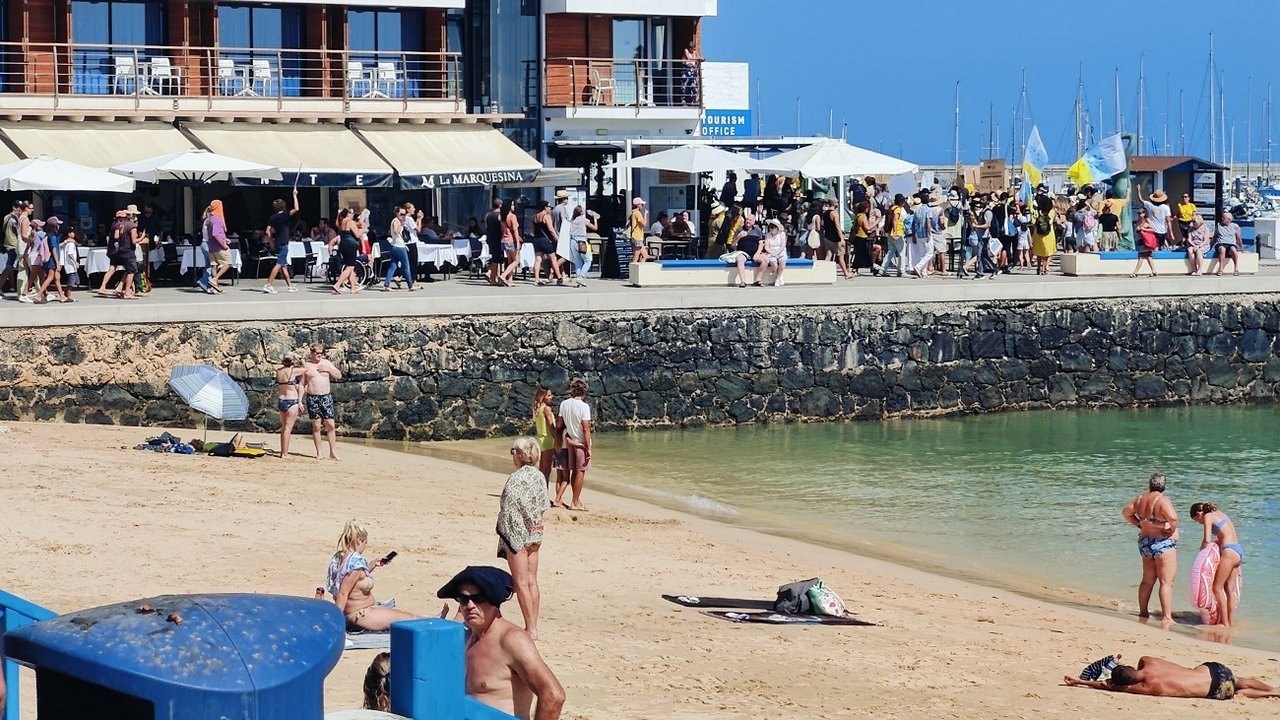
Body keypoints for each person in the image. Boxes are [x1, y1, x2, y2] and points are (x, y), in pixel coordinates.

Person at [435, 566, 565, 719]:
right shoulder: (464, 638)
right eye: (463, 599)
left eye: (478, 599)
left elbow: (553, 695)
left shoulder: (512, 640)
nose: (469, 606)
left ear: (494, 600)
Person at [498, 437, 551, 641]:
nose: (513, 456)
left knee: (521, 582)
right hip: (535, 532)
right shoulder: (539, 477)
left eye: (513, 452)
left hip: (517, 535)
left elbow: (508, 506)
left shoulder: (516, 478)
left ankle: (531, 628)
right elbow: (543, 505)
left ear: (520, 455)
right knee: (531, 581)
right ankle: (533, 624)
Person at [328, 519, 417, 631]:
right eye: (365, 543)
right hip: (360, 614)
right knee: (409, 619)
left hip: (360, 612)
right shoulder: (355, 564)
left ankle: (433, 621)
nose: (364, 546)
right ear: (359, 541)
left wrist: (373, 564)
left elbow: (355, 582)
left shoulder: (339, 557)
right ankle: (434, 623)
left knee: (402, 614)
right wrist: (337, 624)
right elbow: (343, 593)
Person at [1064, 654, 1278, 700]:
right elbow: (1139, 664)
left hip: (1215, 689)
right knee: (1239, 680)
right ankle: (1274, 689)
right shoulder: (1147, 661)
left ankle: (1270, 694)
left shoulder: (1150, 687)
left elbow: (1110, 686)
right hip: (1213, 669)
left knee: (1236, 691)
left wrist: (1081, 681)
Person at [1122, 473, 1179, 625]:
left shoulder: (1140, 499)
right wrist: (1170, 528)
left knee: (1147, 580)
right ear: (1163, 486)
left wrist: (1139, 524)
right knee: (1166, 582)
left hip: (1145, 542)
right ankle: (1167, 617)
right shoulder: (1162, 500)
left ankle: (1143, 612)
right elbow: (1173, 518)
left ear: (1150, 485)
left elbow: (1126, 513)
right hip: (1162, 543)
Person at [1189, 501, 1244, 627]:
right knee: (1229, 589)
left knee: (1216, 588)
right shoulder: (1220, 513)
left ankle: (1224, 624)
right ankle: (1230, 622)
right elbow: (1224, 533)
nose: (1199, 522)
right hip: (1238, 550)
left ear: (1198, 514)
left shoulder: (1208, 516)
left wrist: (1201, 552)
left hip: (1229, 552)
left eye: (1197, 520)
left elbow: (1207, 539)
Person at [553, 379, 591, 512]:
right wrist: (588, 447)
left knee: (573, 470)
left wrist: (558, 439)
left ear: (572, 390)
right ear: (584, 391)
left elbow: (559, 424)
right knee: (580, 471)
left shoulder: (564, 404)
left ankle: (576, 500)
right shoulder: (584, 407)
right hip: (580, 442)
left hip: (569, 441)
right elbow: (585, 428)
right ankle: (575, 501)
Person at [303, 344, 343, 460]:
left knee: (330, 424)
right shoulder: (307, 365)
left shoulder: (326, 363)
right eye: (317, 353)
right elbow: (303, 383)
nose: (319, 355)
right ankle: (319, 452)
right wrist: (299, 398)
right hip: (313, 398)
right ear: (311, 353)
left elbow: (339, 375)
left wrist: (328, 369)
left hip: (326, 397)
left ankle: (333, 452)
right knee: (316, 426)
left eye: (321, 353)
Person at [263, 189, 300, 294]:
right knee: (279, 264)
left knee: (283, 265)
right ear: (283, 207)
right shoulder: (284, 215)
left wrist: (271, 242)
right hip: (283, 242)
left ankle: (290, 285)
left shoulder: (273, 217)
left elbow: (267, 231)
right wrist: (294, 195)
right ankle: (269, 284)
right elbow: (296, 208)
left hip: (277, 241)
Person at [275, 351, 305, 460]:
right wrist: (301, 358)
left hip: (281, 400)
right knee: (288, 429)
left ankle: (283, 451)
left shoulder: (279, 371)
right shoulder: (293, 371)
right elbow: (306, 369)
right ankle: (285, 454)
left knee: (284, 428)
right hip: (291, 400)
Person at [382, 204, 416, 292]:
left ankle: (386, 284)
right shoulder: (396, 221)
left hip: (395, 246)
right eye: (401, 214)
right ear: (397, 213)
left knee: (393, 265)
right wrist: (401, 224)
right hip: (399, 246)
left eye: (404, 214)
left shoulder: (397, 220)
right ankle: (410, 284)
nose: (403, 216)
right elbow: (396, 231)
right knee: (406, 265)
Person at [331, 208, 364, 295]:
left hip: (343, 245)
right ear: (348, 214)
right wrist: (363, 230)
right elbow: (357, 235)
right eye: (351, 213)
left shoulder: (341, 222)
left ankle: (353, 288)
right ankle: (337, 285)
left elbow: (338, 224)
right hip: (350, 246)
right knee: (350, 267)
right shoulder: (350, 221)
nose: (353, 215)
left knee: (350, 267)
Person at [530, 201, 562, 286]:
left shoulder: (534, 217)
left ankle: (536, 278)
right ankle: (559, 277)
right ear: (545, 207)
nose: (550, 209)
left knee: (538, 260)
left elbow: (532, 231)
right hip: (546, 240)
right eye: (549, 207)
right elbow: (551, 229)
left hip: (537, 240)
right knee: (553, 259)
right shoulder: (546, 216)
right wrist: (557, 239)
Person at [203, 200, 232, 295]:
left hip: (211, 246)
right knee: (228, 263)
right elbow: (215, 234)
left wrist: (225, 238)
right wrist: (223, 244)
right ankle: (214, 280)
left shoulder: (209, 219)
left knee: (213, 265)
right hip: (218, 246)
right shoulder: (217, 219)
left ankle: (214, 288)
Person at [567, 206, 596, 287]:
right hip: (581, 241)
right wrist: (595, 219)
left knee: (578, 262)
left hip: (573, 241)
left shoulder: (572, 220)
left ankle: (578, 279)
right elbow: (595, 227)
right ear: (581, 212)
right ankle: (581, 277)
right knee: (588, 260)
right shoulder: (583, 220)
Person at [755, 218, 788, 286]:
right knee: (773, 262)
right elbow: (766, 247)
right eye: (769, 227)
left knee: (782, 261)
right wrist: (772, 253)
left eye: (772, 227)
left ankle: (778, 278)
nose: (770, 229)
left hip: (780, 250)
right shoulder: (768, 235)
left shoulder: (782, 234)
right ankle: (778, 276)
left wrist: (777, 253)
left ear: (776, 228)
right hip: (771, 251)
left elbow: (783, 245)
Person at [1208, 211, 1242, 276]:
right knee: (1222, 249)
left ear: (1229, 220)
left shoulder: (1235, 226)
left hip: (1231, 243)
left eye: (1224, 218)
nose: (1222, 219)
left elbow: (1238, 238)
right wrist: (1210, 246)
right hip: (1221, 243)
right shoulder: (1219, 225)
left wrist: (1242, 248)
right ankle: (1220, 269)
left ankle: (1236, 268)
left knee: (1233, 250)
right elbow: (1215, 237)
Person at [1030, 194, 1057, 276]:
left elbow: (1033, 223)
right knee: (1047, 253)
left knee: (1039, 253)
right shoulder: (1052, 212)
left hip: (1038, 234)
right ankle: (1044, 268)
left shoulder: (1036, 212)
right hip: (1049, 234)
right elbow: (1052, 221)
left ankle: (1038, 267)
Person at [498, 199, 523, 287]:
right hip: (511, 240)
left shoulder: (502, 217)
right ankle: (503, 275)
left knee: (510, 261)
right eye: (512, 205)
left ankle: (510, 280)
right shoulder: (512, 216)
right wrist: (518, 242)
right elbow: (515, 230)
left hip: (504, 240)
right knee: (516, 261)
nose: (514, 206)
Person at [1130, 209, 1158, 278]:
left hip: (1145, 240)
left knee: (1141, 257)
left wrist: (1144, 229)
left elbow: (1154, 229)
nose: (1139, 215)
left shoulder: (1147, 220)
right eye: (1138, 213)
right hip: (1140, 240)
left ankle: (1135, 272)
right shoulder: (1139, 221)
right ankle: (1154, 271)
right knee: (1148, 257)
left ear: (1144, 213)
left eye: (1141, 213)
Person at [484, 198, 506, 286]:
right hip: (498, 238)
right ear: (500, 205)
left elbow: (486, 227)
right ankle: (493, 277)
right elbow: (502, 227)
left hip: (490, 238)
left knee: (495, 257)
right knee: (497, 259)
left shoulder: (487, 215)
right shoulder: (500, 215)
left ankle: (495, 276)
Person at [628, 197, 650, 264]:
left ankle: (640, 270)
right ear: (637, 204)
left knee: (645, 256)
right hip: (637, 236)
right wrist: (645, 214)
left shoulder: (633, 212)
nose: (642, 206)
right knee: (636, 255)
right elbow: (644, 224)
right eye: (641, 204)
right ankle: (633, 270)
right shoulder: (637, 213)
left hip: (637, 236)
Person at [680, 39, 702, 105]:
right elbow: (688, 58)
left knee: (693, 86)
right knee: (684, 86)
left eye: (692, 47)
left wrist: (701, 59)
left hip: (692, 70)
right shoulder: (686, 50)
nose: (691, 49)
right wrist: (698, 59)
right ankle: (683, 100)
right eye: (690, 47)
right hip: (686, 70)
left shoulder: (695, 52)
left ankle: (693, 101)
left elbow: (698, 57)